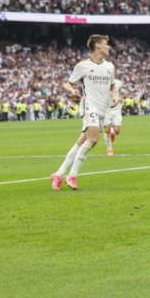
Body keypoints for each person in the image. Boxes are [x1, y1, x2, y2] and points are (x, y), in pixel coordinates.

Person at [51, 34, 118, 190]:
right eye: (106, 44)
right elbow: (68, 84)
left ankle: (58, 174)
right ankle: (72, 175)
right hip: (89, 106)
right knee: (93, 139)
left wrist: (114, 96)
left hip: (102, 109)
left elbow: (112, 86)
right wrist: (72, 90)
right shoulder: (83, 66)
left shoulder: (110, 67)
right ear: (98, 46)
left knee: (82, 142)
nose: (109, 46)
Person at [103, 77, 123, 155]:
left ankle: (112, 130)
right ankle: (109, 149)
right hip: (105, 110)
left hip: (116, 109)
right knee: (107, 130)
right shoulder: (101, 81)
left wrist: (120, 98)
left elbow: (122, 92)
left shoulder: (118, 83)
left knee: (117, 131)